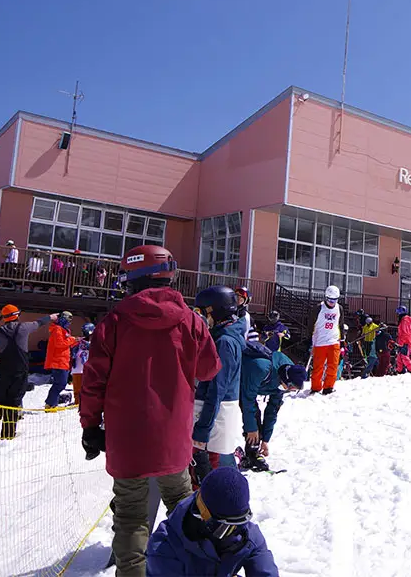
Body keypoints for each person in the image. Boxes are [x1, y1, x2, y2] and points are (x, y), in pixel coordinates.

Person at [79, 245, 221, 576]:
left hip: (126, 440)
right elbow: (209, 369)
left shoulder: (113, 321)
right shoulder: (191, 320)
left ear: (134, 278)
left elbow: (93, 382)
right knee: (184, 510)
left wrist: (89, 427)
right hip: (173, 439)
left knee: (130, 517)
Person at [146, 466, 279, 577]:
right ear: (203, 512)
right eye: (225, 528)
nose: (233, 533)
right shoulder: (164, 547)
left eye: (239, 524)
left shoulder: (244, 534)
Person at [192, 285, 249, 486]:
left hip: (214, 416)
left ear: (214, 311)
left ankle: (207, 513)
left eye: (201, 312)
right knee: (204, 471)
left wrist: (202, 429)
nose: (199, 318)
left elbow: (217, 389)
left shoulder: (224, 341)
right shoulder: (222, 335)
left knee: (204, 473)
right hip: (213, 413)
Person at [0, 305, 56, 440]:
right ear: (17, 315)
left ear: (4, 317)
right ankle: (8, 435)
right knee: (13, 402)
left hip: (4, 371)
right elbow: (39, 323)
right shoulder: (24, 327)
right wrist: (51, 317)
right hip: (20, 372)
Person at [239, 332, 305, 473]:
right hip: (239, 377)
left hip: (256, 383)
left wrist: (266, 439)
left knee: (258, 416)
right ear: (286, 380)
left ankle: (255, 451)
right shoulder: (262, 368)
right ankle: (251, 453)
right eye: (291, 387)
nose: (290, 391)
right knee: (253, 414)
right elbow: (247, 399)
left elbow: (272, 410)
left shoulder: (286, 376)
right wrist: (251, 429)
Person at [308, 285, 343, 395]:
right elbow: (310, 325)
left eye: (335, 300)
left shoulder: (339, 308)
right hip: (320, 342)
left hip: (334, 341)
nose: (332, 302)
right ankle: (316, 387)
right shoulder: (318, 308)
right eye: (330, 300)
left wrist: (342, 340)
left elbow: (340, 324)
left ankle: (328, 387)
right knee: (318, 367)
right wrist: (310, 339)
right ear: (326, 297)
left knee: (333, 366)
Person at [44, 311, 80, 409]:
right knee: (60, 383)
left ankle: (52, 404)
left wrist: (77, 341)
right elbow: (59, 344)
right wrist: (73, 339)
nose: (69, 323)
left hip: (63, 361)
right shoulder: (57, 330)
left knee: (59, 383)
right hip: (58, 361)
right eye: (68, 320)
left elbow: (66, 345)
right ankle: (50, 404)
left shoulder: (64, 330)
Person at [70, 322, 94, 405]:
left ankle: (88, 402)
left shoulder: (95, 344)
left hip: (88, 370)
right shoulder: (79, 343)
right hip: (77, 369)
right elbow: (73, 349)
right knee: (77, 388)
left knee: (89, 388)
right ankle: (78, 402)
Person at [394, 306, 411, 374]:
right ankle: (399, 370)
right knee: (399, 356)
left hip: (406, 341)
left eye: (398, 313)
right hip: (403, 341)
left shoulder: (404, 320)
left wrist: (401, 342)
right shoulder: (404, 319)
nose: (397, 315)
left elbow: (405, 333)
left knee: (404, 356)